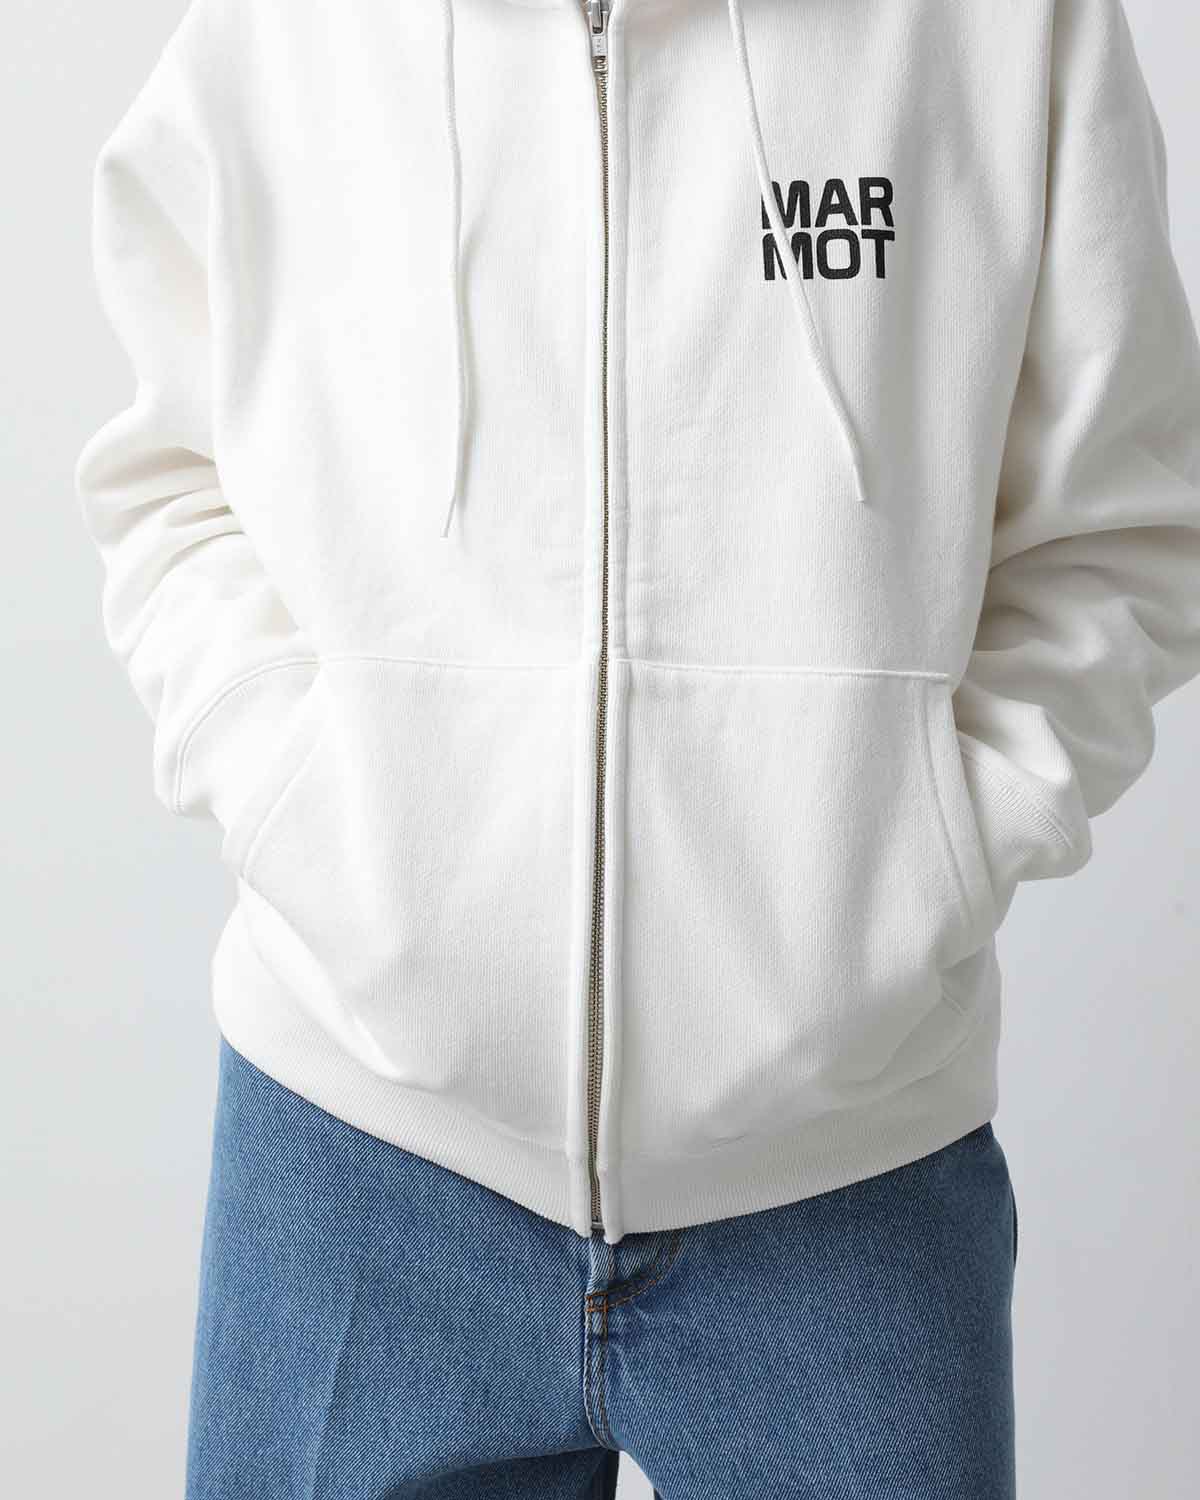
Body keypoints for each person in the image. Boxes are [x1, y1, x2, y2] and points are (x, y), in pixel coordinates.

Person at [77, 1, 1200, 1496]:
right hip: (353, 1149)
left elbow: (1123, 523)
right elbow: (171, 475)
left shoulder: (1007, 26)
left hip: (849, 1171)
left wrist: (927, 860)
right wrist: (294, 796)